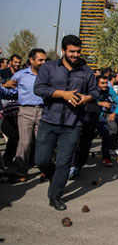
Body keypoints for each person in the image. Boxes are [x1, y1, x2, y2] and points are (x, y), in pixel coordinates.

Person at [34, 35, 98, 211]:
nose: (75, 55)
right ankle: (55, 177)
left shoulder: (87, 71)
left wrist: (86, 97)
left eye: (78, 51)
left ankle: (55, 196)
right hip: (49, 120)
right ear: (63, 51)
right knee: (41, 160)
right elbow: (38, 88)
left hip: (73, 123)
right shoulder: (49, 67)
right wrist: (63, 94)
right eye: (72, 51)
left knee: (64, 162)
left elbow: (95, 92)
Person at [11, 48, 47, 177]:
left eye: (45, 60)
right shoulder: (20, 75)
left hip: (43, 111)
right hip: (25, 111)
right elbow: (12, 91)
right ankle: (21, 170)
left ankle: (45, 169)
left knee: (43, 141)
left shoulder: (47, 75)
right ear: (31, 60)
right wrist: (4, 86)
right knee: (25, 142)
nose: (43, 62)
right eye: (40, 60)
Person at [96, 75, 118, 166]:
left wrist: (114, 113)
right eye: (102, 83)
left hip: (102, 115)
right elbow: (86, 100)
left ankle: (106, 157)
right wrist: (100, 103)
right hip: (89, 115)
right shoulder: (92, 90)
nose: (105, 85)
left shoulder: (109, 90)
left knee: (108, 132)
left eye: (106, 83)